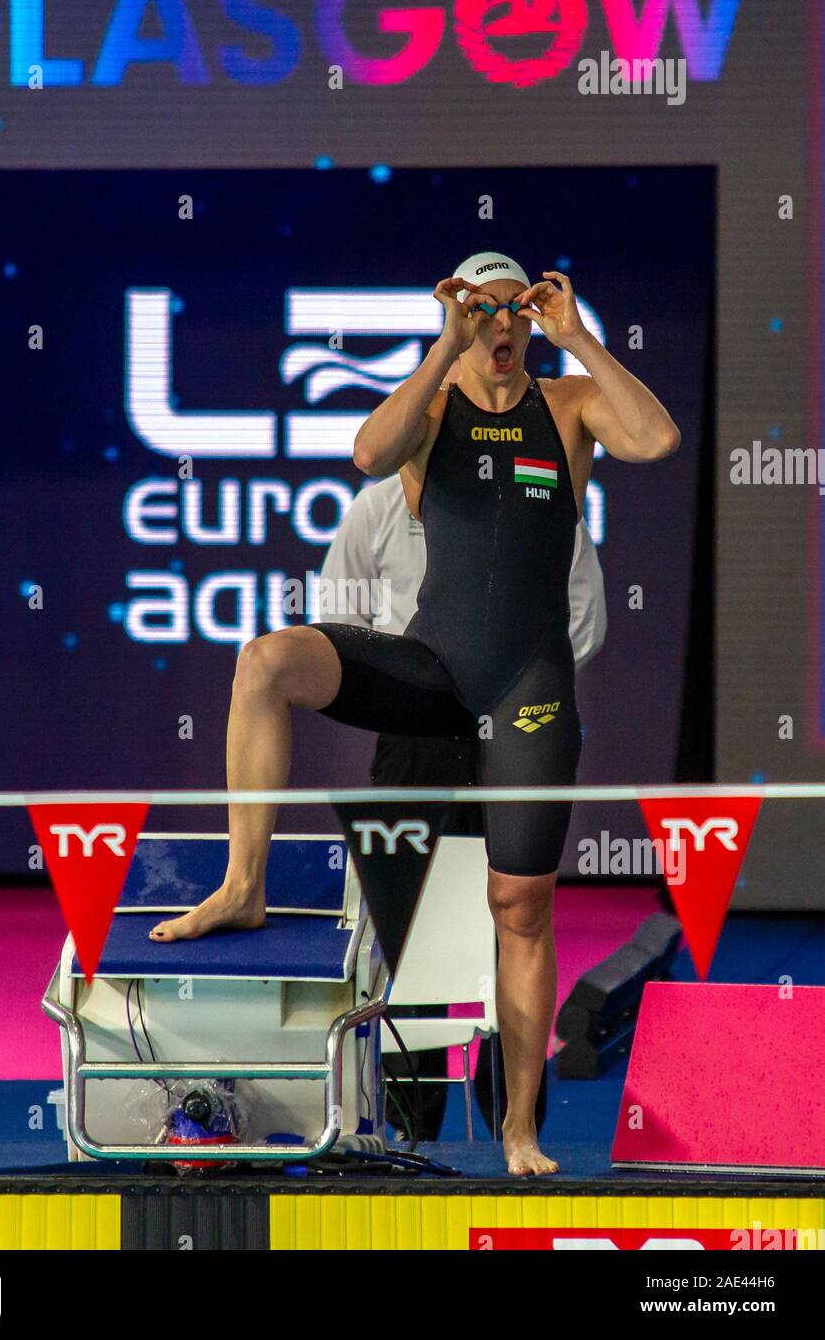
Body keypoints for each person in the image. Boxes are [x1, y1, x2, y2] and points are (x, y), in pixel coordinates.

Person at [150, 251, 680, 1176]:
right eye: (485, 312)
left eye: (516, 310)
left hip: (526, 687)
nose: (503, 327)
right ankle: (242, 885)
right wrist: (442, 346)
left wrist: (579, 338)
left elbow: (658, 440)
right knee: (267, 661)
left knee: (518, 907)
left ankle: (518, 1131)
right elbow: (365, 453)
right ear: (462, 319)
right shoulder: (432, 409)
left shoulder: (568, 406)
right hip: (430, 670)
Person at [317, 473, 606, 1139]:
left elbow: (583, 613)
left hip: (513, 729)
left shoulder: (538, 501)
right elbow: (338, 619)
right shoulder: (377, 507)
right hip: (412, 738)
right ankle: (406, 1130)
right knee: (406, 928)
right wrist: (405, 689)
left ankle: (514, 1117)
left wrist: (517, 684)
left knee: (517, 915)